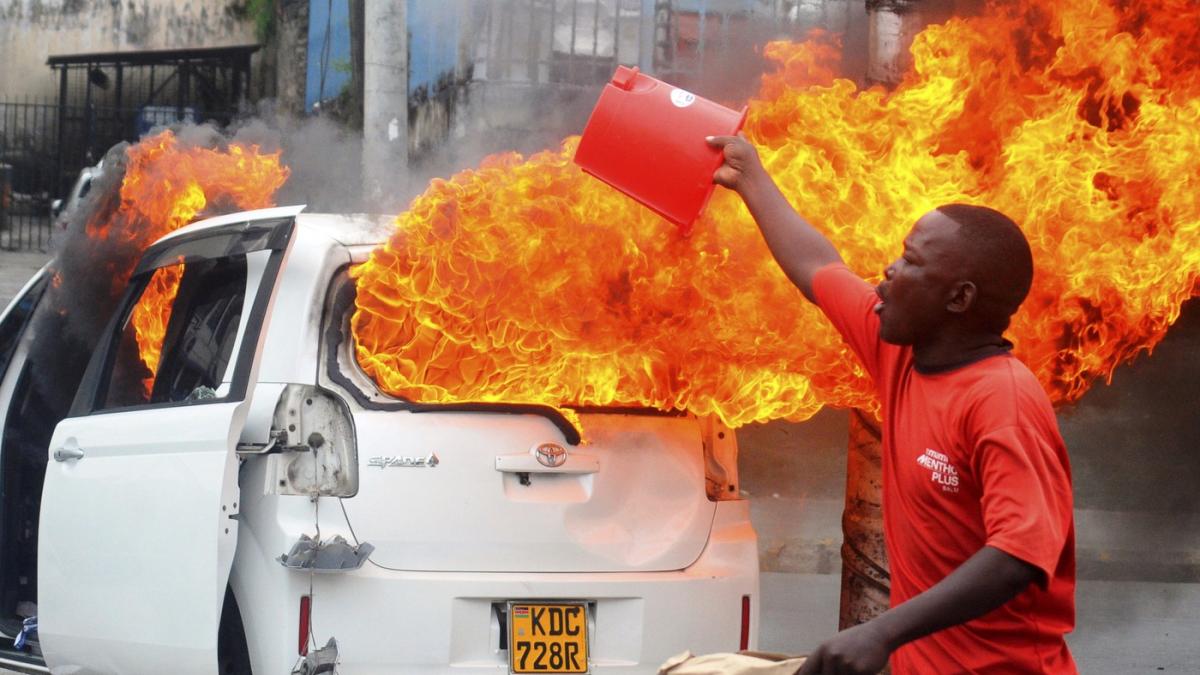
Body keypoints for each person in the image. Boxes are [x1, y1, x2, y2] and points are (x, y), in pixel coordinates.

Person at [706, 134, 1076, 675]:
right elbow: (818, 266)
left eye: (911, 261)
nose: (888, 270)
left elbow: (1018, 555)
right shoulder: (900, 351)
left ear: (959, 298)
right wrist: (749, 177)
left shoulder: (1003, 401)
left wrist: (881, 631)